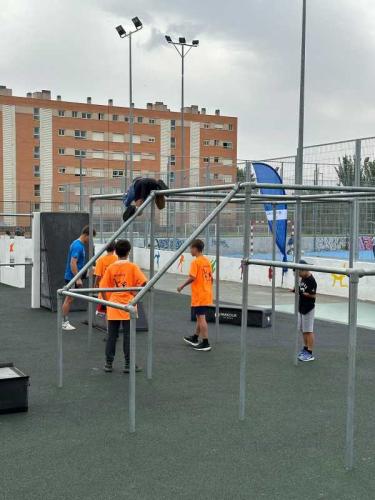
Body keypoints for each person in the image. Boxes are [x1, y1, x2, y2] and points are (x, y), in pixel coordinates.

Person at [101, 239, 147, 373]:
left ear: (115, 251)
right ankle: (128, 364)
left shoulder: (111, 267)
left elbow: (103, 287)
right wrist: (135, 294)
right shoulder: (132, 267)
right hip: (129, 305)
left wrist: (107, 303)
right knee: (128, 336)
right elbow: (144, 283)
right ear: (128, 252)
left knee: (112, 336)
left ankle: (108, 364)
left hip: (113, 304)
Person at [177, 239, 213, 352]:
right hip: (206, 293)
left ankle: (206, 342)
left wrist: (181, 286)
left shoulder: (195, 262)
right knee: (199, 317)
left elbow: (192, 277)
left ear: (195, 249)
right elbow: (211, 279)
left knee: (201, 318)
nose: (190, 250)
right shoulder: (206, 261)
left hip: (199, 294)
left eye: (191, 248)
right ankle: (195, 337)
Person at [62, 225, 96, 331]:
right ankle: (64, 322)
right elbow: (73, 263)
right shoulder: (78, 246)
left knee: (96, 269)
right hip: (72, 276)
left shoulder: (79, 244)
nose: (91, 240)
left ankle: (97, 291)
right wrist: (77, 278)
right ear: (86, 235)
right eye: (90, 238)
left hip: (79, 273)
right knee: (69, 299)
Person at [295, 259, 317, 362]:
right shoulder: (302, 278)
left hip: (308, 308)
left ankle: (310, 353)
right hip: (301, 307)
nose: (298, 274)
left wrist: (306, 294)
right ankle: (305, 349)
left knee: (308, 331)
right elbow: (301, 288)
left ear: (305, 270)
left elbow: (313, 295)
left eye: (299, 272)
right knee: (303, 330)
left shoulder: (311, 281)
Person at [94, 241, 118, 315]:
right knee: (114, 309)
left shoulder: (101, 260)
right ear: (115, 249)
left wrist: (95, 285)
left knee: (104, 310)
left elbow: (98, 275)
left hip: (104, 288)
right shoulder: (117, 259)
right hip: (115, 288)